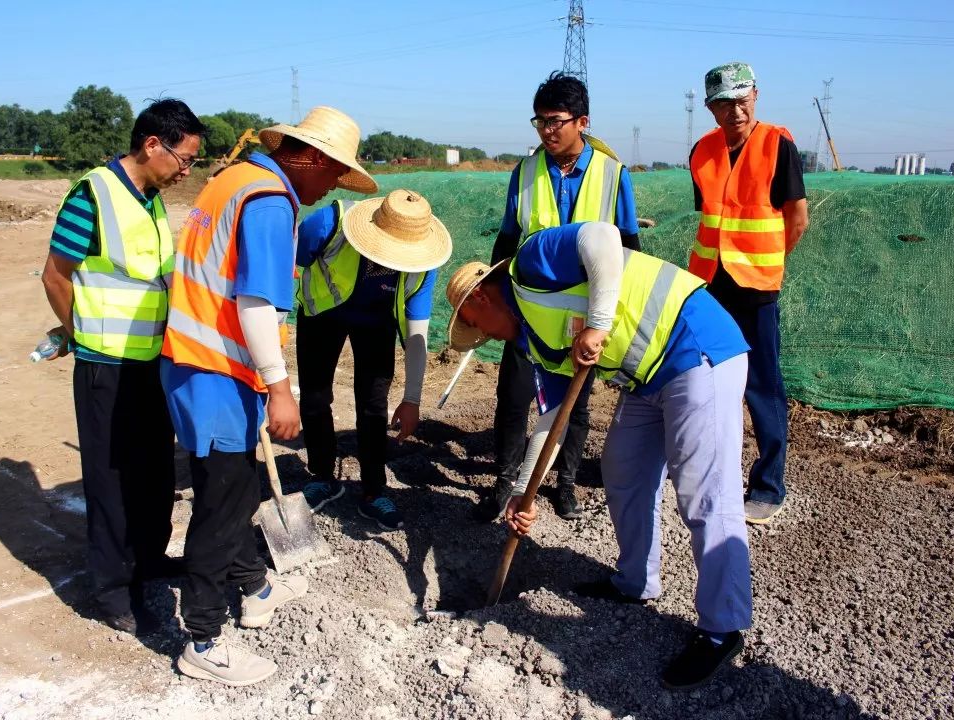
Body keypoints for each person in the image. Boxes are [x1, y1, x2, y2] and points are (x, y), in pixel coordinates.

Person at [446, 220, 752, 690]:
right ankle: (636, 583)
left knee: (704, 493)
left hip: (696, 345)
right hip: (644, 377)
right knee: (622, 469)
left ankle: (721, 628)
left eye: (475, 327)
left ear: (480, 300)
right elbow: (552, 425)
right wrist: (522, 497)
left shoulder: (531, 263)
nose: (483, 337)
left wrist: (599, 324)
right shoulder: (536, 345)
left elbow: (603, 239)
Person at [162, 107, 377, 686]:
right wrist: (280, 389)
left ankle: (254, 583)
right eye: (333, 173)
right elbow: (255, 303)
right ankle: (203, 638)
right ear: (309, 156)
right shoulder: (268, 201)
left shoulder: (233, 179)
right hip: (215, 369)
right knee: (220, 505)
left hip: (199, 361)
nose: (332, 185)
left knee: (231, 487)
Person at [40, 99, 205, 636]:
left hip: (152, 360)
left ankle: (150, 559)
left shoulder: (151, 199)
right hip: (105, 365)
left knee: (154, 471)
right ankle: (112, 591)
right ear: (152, 144)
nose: (187, 171)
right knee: (110, 481)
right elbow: (55, 276)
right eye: (183, 159)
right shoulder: (94, 195)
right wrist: (76, 334)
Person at [481, 71, 641, 523]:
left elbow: (629, 247)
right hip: (528, 307)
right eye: (540, 122)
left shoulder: (613, 175)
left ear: (582, 121)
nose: (547, 131)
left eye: (555, 121)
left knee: (575, 400)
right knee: (513, 397)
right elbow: (507, 240)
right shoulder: (526, 172)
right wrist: (496, 294)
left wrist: (607, 316)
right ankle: (505, 483)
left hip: (583, 314)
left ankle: (564, 485)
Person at [688, 62, 809, 524]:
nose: (734, 111)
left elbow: (796, 218)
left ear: (756, 96)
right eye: (723, 104)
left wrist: (767, 260)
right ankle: (705, 472)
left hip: (756, 285)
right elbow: (711, 217)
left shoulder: (778, 145)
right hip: (710, 284)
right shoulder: (701, 152)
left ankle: (767, 485)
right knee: (705, 380)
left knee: (762, 384)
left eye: (741, 100)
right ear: (710, 108)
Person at [295, 189, 451, 531]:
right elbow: (285, 268)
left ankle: (373, 490)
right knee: (316, 395)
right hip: (323, 313)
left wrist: (411, 400)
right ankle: (322, 475)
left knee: (373, 405)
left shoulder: (424, 264)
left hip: (376, 322)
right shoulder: (328, 223)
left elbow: (416, 334)